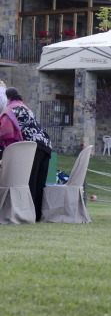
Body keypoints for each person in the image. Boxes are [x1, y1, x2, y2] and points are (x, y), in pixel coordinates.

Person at [0, 86, 53, 221]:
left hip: (30, 147)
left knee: (30, 181)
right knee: (39, 183)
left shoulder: (9, 110)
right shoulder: (25, 107)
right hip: (46, 145)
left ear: (7, 98)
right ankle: (37, 215)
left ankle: (28, 215)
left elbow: (4, 132)